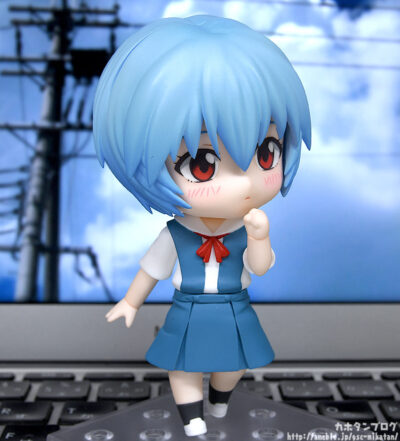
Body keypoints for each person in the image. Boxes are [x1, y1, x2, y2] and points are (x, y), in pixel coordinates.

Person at [93, 15, 311, 437]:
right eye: (202, 164)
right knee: (183, 364)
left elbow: (260, 266)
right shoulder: (175, 235)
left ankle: (219, 399)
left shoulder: (247, 227)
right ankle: (192, 418)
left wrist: (260, 237)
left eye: (266, 153)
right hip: (189, 307)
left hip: (233, 305)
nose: (244, 183)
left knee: (234, 364)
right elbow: (152, 270)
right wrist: (131, 302)